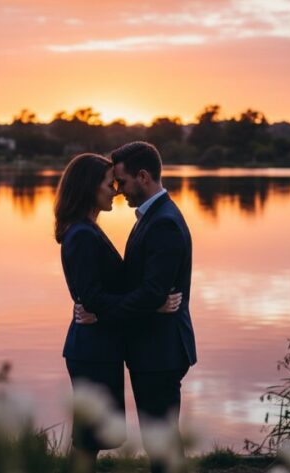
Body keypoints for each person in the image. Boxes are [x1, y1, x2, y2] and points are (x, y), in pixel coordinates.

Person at [74, 142, 197, 473]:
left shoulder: (163, 223)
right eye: (113, 184)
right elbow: (143, 290)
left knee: (163, 444)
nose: (118, 191)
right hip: (152, 348)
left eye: (123, 182)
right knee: (159, 441)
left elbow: (153, 292)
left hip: (161, 351)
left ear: (143, 177)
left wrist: (102, 311)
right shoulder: (151, 217)